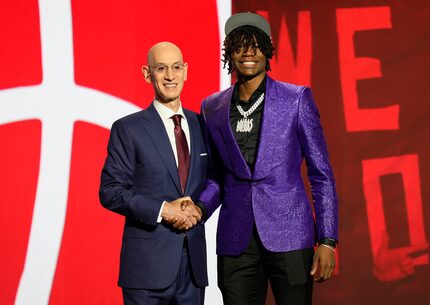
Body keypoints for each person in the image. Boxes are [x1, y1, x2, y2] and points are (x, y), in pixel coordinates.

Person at [197, 12, 338, 305]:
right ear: (228, 51)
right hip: (235, 241)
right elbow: (216, 178)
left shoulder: (296, 99)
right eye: (239, 45)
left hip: (290, 234)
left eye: (256, 45)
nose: (248, 53)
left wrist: (327, 240)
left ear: (268, 49)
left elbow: (321, 174)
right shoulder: (212, 107)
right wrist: (197, 209)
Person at [99, 41, 207, 305]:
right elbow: (110, 191)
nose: (170, 76)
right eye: (161, 68)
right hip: (146, 271)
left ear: (186, 71)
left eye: (176, 67)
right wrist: (163, 210)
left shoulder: (202, 124)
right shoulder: (128, 129)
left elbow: (215, 182)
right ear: (148, 74)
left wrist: (200, 209)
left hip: (192, 269)